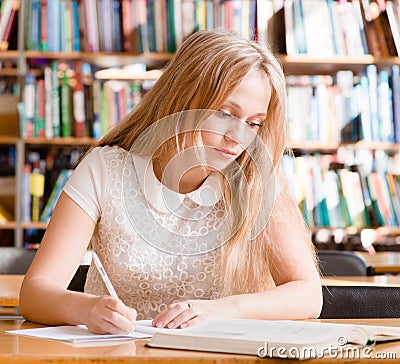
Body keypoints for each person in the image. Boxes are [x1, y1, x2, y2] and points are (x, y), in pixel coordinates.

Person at [20, 29, 322, 335]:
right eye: (224, 114)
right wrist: (86, 309)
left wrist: (225, 309)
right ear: (182, 98)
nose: (238, 137)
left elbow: (308, 294)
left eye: (254, 123)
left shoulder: (257, 180)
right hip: (118, 355)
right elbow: (35, 293)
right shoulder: (105, 169)